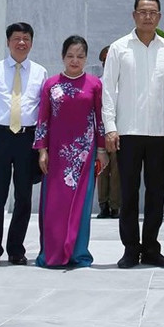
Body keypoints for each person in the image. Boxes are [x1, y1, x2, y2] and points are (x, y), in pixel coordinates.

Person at [101, 0, 164, 268]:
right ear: (134, 15)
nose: (148, 16)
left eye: (153, 12)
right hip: (128, 132)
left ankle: (152, 248)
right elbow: (108, 90)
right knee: (129, 193)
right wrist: (110, 128)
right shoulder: (119, 48)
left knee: (156, 194)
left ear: (159, 16)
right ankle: (131, 249)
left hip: (160, 132)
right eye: (143, 12)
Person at [0, 22, 47, 265]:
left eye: (26, 38)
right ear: (8, 42)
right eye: (16, 38)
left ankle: (16, 249)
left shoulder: (40, 72)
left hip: (27, 138)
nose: (21, 43)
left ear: (31, 42)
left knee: (24, 197)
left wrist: (41, 147)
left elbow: (43, 111)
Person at [34, 35, 107, 267]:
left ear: (86, 58)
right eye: (70, 56)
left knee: (80, 205)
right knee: (55, 205)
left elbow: (100, 119)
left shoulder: (95, 84)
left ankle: (78, 253)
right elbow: (42, 119)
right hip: (56, 154)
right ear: (62, 57)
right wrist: (42, 150)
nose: (75, 61)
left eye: (80, 56)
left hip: (84, 154)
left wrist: (102, 150)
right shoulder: (51, 84)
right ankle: (53, 253)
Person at [96, 45, 122, 218]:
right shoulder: (98, 82)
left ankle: (115, 205)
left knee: (117, 170)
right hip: (101, 130)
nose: (107, 63)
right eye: (104, 61)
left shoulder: (122, 81)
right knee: (102, 170)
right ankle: (103, 205)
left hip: (119, 130)